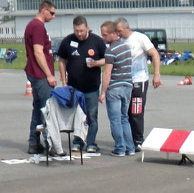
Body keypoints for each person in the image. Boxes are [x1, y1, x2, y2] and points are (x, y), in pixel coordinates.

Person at [57, 15, 107, 153]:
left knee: (91, 116)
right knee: (76, 115)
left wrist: (96, 63)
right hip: (74, 88)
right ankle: (77, 141)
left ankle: (91, 142)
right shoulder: (68, 41)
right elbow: (61, 60)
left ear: (87, 29)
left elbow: (108, 59)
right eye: (76, 31)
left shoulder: (97, 41)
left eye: (82, 31)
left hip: (91, 87)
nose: (79, 33)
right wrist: (63, 79)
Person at [115, 17, 162, 151]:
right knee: (125, 111)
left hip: (139, 80)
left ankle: (138, 139)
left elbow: (154, 54)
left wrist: (156, 74)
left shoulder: (140, 38)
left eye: (120, 31)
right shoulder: (118, 41)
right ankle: (127, 139)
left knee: (136, 111)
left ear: (126, 28)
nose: (118, 34)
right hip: (124, 80)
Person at [24, 0, 57, 154]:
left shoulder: (33, 25)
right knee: (47, 110)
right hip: (40, 75)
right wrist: (49, 75)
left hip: (35, 73)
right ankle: (50, 143)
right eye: (51, 13)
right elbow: (38, 52)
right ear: (43, 10)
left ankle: (34, 142)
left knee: (38, 109)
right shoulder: (37, 26)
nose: (53, 16)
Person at [98, 21, 135, 157]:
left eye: (105, 35)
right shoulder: (126, 47)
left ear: (113, 34)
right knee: (124, 118)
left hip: (115, 88)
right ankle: (130, 147)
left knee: (115, 119)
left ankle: (120, 148)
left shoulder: (110, 50)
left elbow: (107, 73)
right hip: (127, 86)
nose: (103, 37)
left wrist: (103, 92)